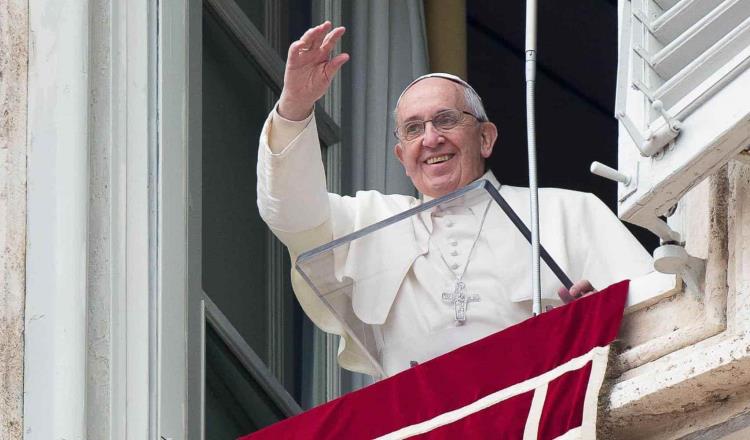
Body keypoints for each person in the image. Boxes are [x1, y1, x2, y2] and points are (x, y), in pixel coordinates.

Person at [257, 22, 652, 377]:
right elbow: (292, 213)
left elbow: (657, 318)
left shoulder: (567, 212)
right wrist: (294, 107)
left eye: (446, 120)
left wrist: (603, 317)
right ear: (402, 157)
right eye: (413, 129)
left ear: (486, 138)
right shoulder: (370, 220)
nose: (431, 138)